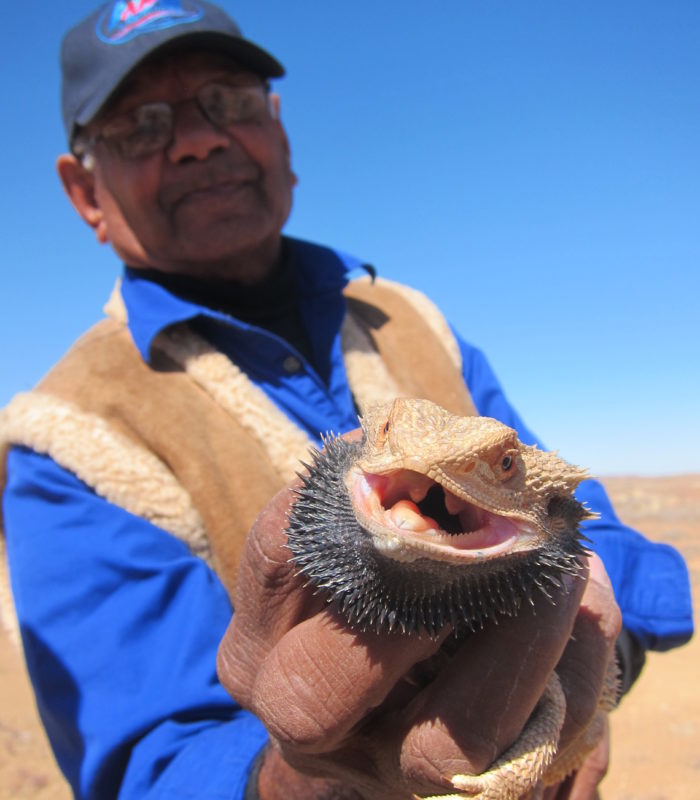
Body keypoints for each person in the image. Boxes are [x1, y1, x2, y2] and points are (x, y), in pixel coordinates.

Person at [0, 2, 692, 799]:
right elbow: (149, 757)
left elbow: (555, 498)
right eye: (139, 126)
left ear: (279, 130)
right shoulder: (66, 438)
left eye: (227, 100)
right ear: (85, 193)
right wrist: (302, 781)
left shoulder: (412, 319)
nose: (197, 139)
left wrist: (602, 652)